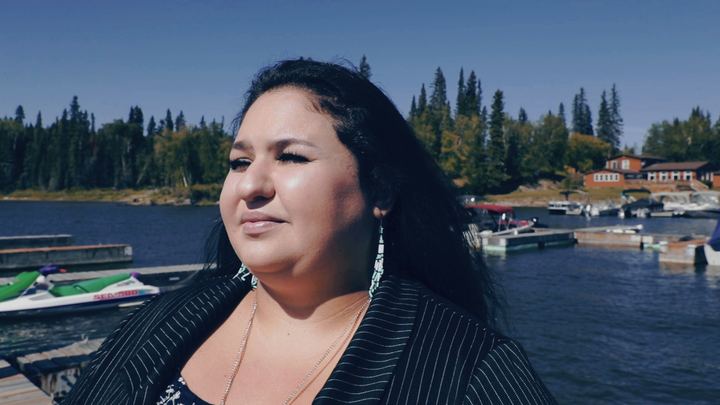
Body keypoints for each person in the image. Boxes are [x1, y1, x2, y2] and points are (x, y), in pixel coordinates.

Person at [63, 59, 556, 405]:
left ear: (379, 190)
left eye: (291, 156)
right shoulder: (159, 323)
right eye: (239, 161)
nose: (250, 185)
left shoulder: (470, 373)